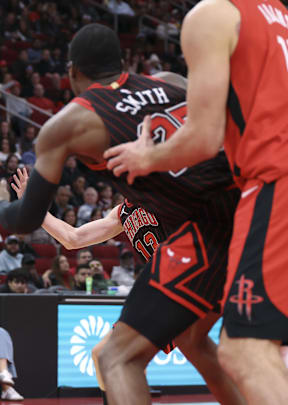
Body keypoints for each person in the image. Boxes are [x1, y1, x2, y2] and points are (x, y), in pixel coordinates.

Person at [0, 23, 244, 405]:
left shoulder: (70, 123)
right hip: (247, 205)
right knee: (194, 341)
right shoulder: (169, 82)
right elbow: (74, 238)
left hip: (202, 235)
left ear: (71, 72)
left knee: (113, 357)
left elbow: (23, 220)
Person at [102, 1, 288, 402]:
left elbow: (203, 137)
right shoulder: (278, 16)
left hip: (273, 179)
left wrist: (146, 157)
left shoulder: (212, 15)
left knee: (246, 349)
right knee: (243, 346)